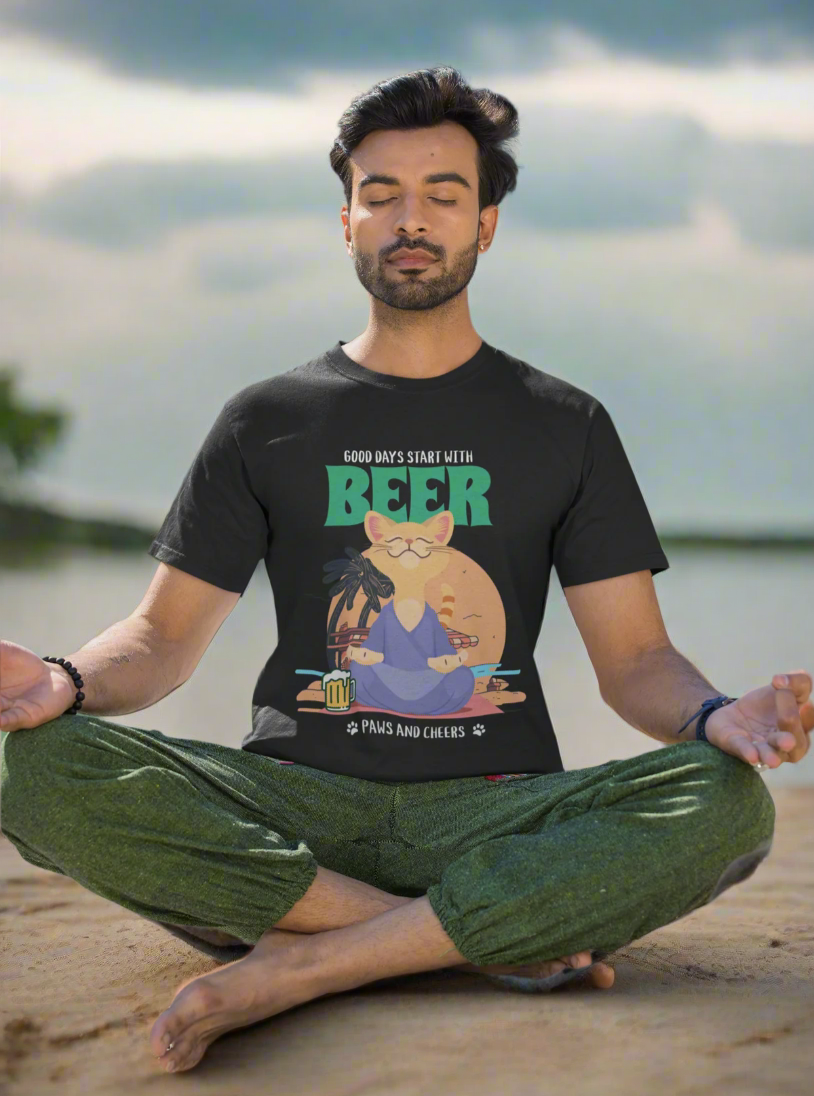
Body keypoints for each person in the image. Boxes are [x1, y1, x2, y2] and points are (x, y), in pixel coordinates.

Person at [1, 66, 811, 1077]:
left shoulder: (565, 425)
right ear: (345, 219)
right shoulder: (267, 419)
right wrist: (63, 680)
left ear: (488, 223)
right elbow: (162, 641)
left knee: (726, 800)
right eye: (380, 194)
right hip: (296, 817)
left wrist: (713, 718)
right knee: (28, 763)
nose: (410, 219)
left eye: (443, 194)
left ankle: (300, 966)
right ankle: (422, 934)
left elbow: (635, 660)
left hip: (492, 812)